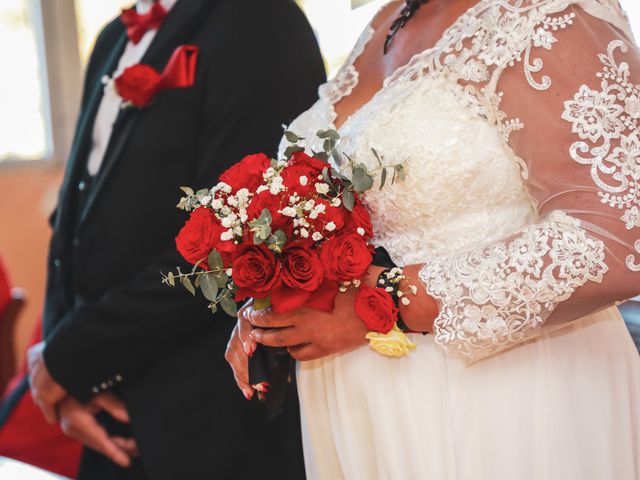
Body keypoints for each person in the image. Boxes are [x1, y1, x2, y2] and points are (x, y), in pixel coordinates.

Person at [227, 0, 640, 478]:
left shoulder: (547, 16)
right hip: (359, 402)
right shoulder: (386, 21)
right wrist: (282, 299)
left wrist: (383, 302)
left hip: (499, 395)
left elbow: (620, 237)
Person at [18, 0, 325, 479]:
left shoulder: (262, 22)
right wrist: (65, 371)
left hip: (204, 413)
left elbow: (234, 242)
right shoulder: (110, 40)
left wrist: (71, 356)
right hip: (107, 405)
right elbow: (74, 217)